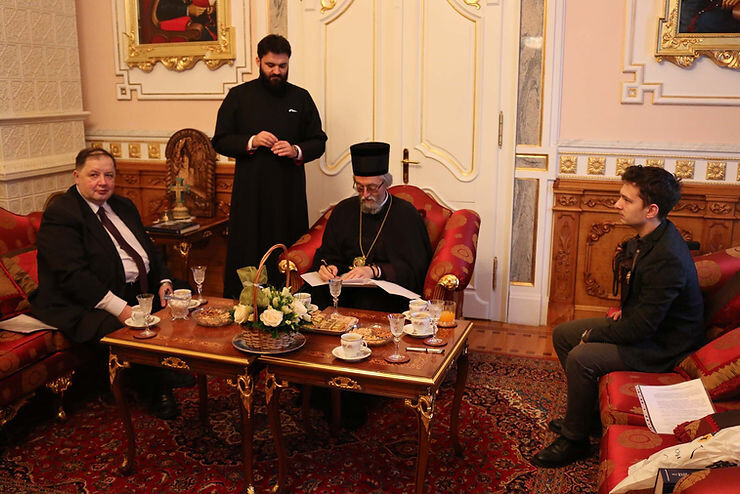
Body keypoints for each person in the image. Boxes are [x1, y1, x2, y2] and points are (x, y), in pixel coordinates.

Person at [532, 165, 706, 468]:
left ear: (651, 210)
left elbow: (642, 329)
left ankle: (575, 439)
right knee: (563, 335)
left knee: (582, 356)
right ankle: (587, 418)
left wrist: (594, 336)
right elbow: (647, 302)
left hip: (663, 347)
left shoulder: (668, 256)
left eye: (626, 200)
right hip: (646, 328)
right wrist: (627, 309)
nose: (617, 204)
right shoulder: (650, 235)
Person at [30, 147, 188, 419]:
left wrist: (163, 281)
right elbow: (73, 277)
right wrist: (121, 309)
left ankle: (167, 366)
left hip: (133, 289)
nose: (102, 182)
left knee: (185, 293)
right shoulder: (63, 214)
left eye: (109, 175)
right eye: (94, 175)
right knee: (129, 328)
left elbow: (149, 249)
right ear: (76, 176)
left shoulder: (123, 205)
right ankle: (157, 390)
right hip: (81, 301)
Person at [213, 34, 327, 297]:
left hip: (289, 197)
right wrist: (251, 141)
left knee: (287, 252)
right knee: (249, 250)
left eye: (282, 66)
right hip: (250, 196)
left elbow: (318, 141)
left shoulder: (301, 98)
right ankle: (245, 306)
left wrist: (295, 149)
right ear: (258, 61)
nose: (277, 71)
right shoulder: (239, 96)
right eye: (270, 65)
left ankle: (289, 306)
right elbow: (220, 140)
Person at [310, 142, 432, 313]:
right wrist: (329, 267)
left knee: (367, 302)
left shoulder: (406, 214)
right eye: (360, 187)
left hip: (385, 293)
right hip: (344, 288)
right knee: (309, 299)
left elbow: (416, 267)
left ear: (386, 183)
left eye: (372, 188)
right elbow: (328, 252)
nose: (365, 194)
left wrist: (375, 271)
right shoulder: (343, 210)